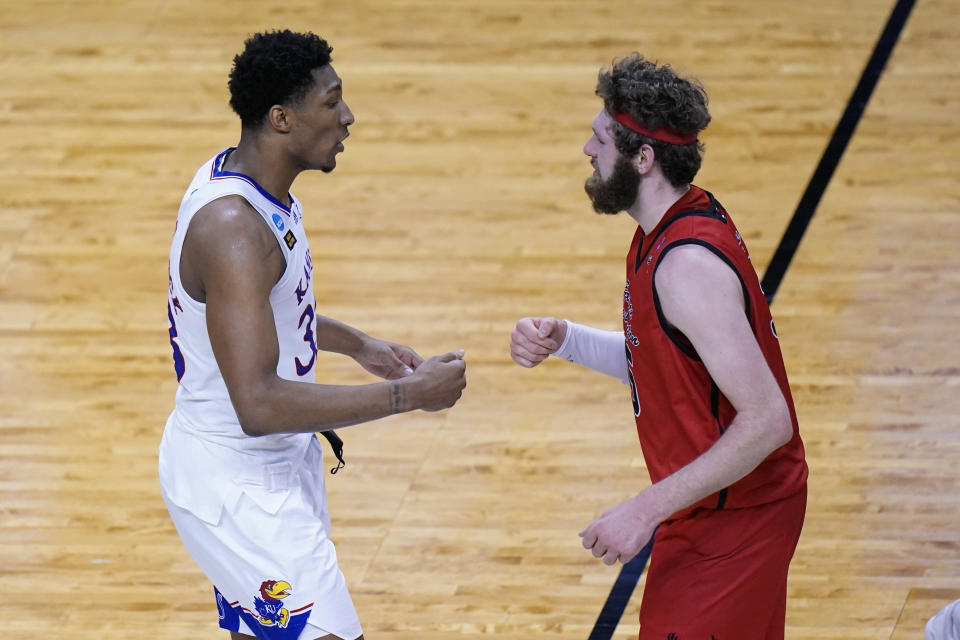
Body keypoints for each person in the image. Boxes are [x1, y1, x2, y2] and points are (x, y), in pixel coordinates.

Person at [160, 30, 467, 640]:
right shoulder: (234, 230)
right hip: (238, 487)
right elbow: (259, 403)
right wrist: (411, 396)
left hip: (270, 468)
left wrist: (357, 344)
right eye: (331, 103)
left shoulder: (252, 185)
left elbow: (256, 313)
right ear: (281, 118)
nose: (348, 118)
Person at [510, 54, 808, 639]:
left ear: (643, 159)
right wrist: (567, 341)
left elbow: (769, 420)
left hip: (737, 520)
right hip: (713, 507)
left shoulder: (685, 266)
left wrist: (642, 510)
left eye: (600, 138)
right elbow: (669, 367)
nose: (587, 150)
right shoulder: (665, 230)